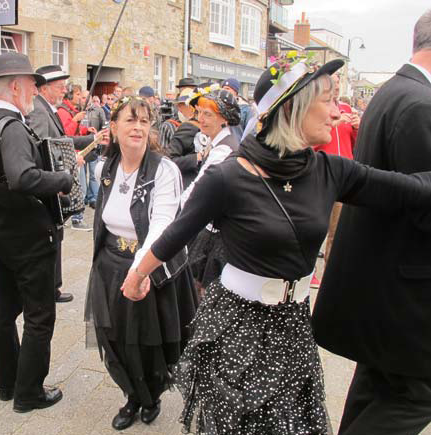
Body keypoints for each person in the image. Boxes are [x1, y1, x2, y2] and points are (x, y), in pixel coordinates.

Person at [121, 54, 431, 434]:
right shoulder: (230, 177)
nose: (338, 113)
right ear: (295, 109)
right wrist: (137, 275)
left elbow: (411, 191)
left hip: (294, 328)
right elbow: (177, 233)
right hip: (238, 327)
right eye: (329, 100)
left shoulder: (331, 171)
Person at [312, 10, 431, 435]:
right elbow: (422, 206)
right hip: (406, 294)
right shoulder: (420, 104)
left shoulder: (395, 91)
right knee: (414, 396)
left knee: (377, 387)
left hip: (384, 287)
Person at [85, 95, 198, 430]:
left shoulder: (165, 170)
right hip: (110, 265)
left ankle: (150, 397)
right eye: (130, 120)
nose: (137, 127)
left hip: (150, 267)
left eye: (144, 121)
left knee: (150, 343)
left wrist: (139, 271)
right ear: (114, 126)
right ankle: (133, 396)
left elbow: (164, 224)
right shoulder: (106, 165)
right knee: (116, 339)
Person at [0, 53, 68, 413]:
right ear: (15, 86)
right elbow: (22, 177)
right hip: (27, 239)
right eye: (31, 85)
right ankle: (29, 393)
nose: (34, 91)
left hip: (0, 236)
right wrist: (61, 179)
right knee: (39, 317)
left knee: (3, 312)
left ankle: (7, 383)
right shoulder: (10, 126)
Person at [27, 64, 101, 302]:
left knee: (56, 236)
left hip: (54, 180)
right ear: (44, 88)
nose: (64, 92)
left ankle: (54, 286)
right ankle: (48, 288)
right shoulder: (39, 111)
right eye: (59, 87)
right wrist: (65, 164)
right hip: (48, 185)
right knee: (49, 239)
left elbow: (62, 140)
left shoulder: (48, 108)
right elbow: (41, 147)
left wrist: (92, 139)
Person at [182, 89, 241, 296]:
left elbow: (197, 190)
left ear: (223, 118)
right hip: (210, 227)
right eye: (199, 113)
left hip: (214, 233)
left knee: (203, 294)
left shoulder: (224, 149)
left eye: (208, 114)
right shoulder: (218, 142)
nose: (201, 119)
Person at [309, 72, 360, 288]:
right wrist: (332, 126)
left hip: (343, 179)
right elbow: (309, 145)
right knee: (313, 227)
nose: (337, 87)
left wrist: (358, 127)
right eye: (334, 83)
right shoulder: (321, 111)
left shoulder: (347, 109)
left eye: (339, 83)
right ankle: (309, 270)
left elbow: (356, 144)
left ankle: (330, 276)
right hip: (320, 176)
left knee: (336, 232)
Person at [56, 83, 96, 231]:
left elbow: (77, 131)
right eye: (78, 94)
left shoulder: (71, 110)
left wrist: (86, 130)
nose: (80, 97)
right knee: (78, 187)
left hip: (77, 151)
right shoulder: (63, 111)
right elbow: (66, 134)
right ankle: (76, 219)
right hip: (71, 154)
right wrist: (75, 120)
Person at [167, 89, 203, 188]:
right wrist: (197, 158)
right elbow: (169, 159)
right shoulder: (189, 126)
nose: (179, 109)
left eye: (182, 105)